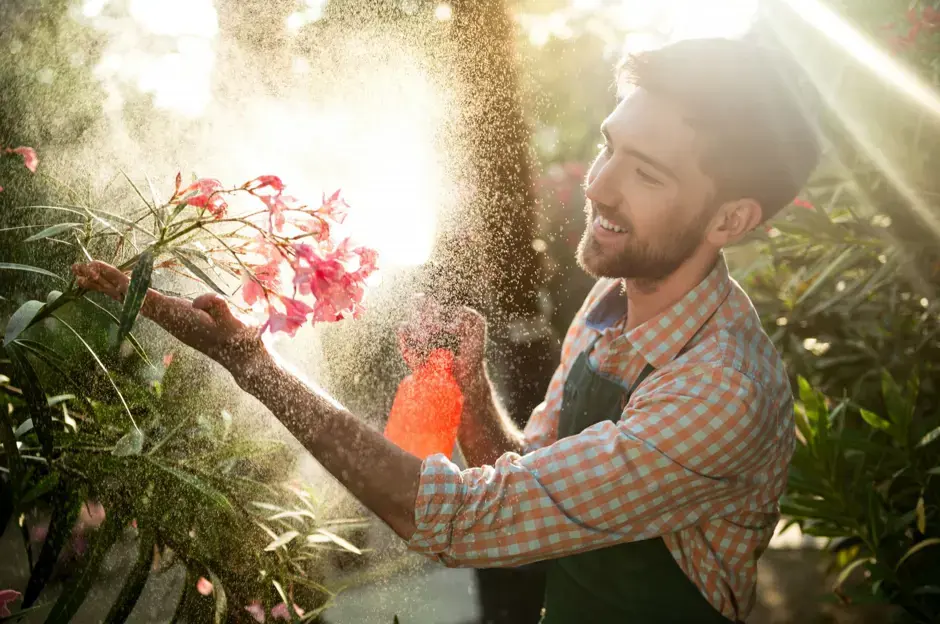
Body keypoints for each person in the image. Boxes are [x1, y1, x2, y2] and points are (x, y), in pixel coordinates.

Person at [72, 36, 819, 623]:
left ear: (731, 219)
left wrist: (253, 362)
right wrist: (471, 389)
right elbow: (536, 475)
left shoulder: (720, 392)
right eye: (607, 145)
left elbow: (466, 524)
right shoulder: (613, 299)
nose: (597, 184)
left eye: (647, 173)